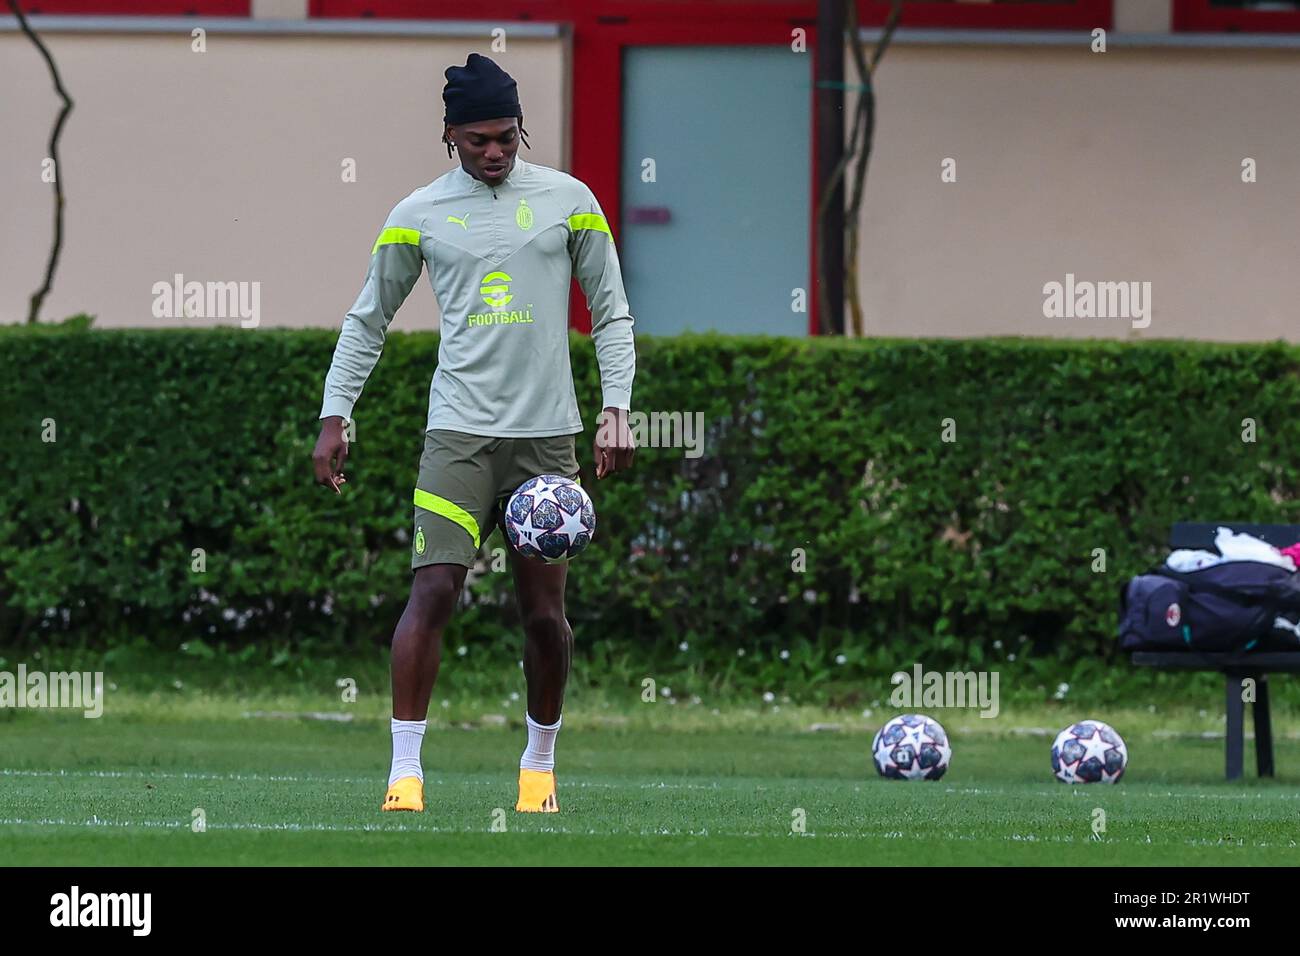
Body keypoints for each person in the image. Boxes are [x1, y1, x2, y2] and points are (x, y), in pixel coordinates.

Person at [312, 53, 636, 814]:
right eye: (477, 139)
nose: (494, 152)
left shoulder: (570, 201)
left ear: (521, 131)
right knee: (432, 591)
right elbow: (369, 320)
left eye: (506, 137)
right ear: (450, 134)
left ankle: (538, 768)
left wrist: (616, 406)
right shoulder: (418, 212)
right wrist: (336, 413)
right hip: (458, 436)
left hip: (546, 444)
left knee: (545, 616)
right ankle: (405, 775)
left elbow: (612, 309)